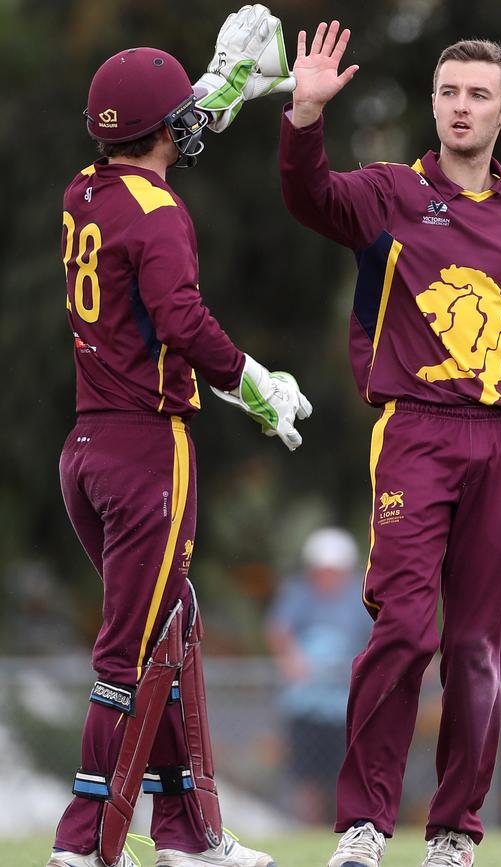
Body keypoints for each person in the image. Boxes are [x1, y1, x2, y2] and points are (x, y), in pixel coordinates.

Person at [278, 22, 501, 867]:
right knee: (402, 626)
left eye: (477, 95)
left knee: (477, 646)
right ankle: (362, 827)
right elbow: (311, 195)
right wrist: (304, 118)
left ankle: (455, 834)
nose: (460, 107)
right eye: (448, 93)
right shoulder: (390, 192)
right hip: (418, 434)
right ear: (433, 104)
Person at [49, 23, 310, 867]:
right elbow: (184, 323)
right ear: (163, 132)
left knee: (173, 625)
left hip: (87, 449)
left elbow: (152, 145)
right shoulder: (161, 214)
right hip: (148, 452)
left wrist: (205, 95)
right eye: (180, 122)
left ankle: (187, 834)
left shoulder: (81, 192)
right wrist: (259, 385)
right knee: (129, 652)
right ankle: (82, 844)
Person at [266, 527, 371, 824]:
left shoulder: (359, 597)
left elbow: (375, 635)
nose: (328, 577)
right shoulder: (297, 593)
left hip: (345, 704)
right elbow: (279, 631)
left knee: (345, 771)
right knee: (306, 775)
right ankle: (309, 827)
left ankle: (346, 828)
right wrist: (292, 659)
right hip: (306, 702)